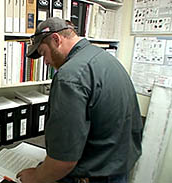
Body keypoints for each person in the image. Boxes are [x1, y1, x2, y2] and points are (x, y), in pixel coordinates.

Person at [16, 17, 143, 183]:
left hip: (93, 175)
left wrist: (35, 177)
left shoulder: (70, 76)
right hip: (118, 167)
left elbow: (63, 161)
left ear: (56, 39)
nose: (46, 62)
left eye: (43, 53)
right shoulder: (103, 57)